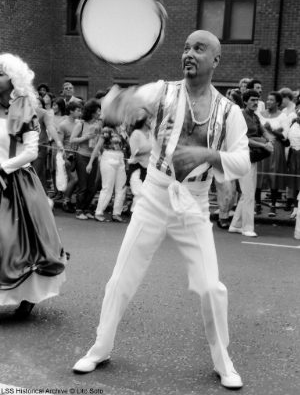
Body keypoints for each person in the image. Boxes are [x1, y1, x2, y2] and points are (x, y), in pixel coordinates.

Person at [73, 30, 250, 389]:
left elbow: (243, 160)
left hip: (195, 202)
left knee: (210, 287)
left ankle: (223, 360)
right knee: (122, 277)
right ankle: (100, 347)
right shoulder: (162, 91)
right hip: (154, 193)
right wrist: (118, 102)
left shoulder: (230, 112)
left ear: (215, 60)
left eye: (199, 48)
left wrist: (208, 155)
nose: (189, 53)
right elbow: (112, 109)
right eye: (186, 47)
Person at [0, 53, 67, 317]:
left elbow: (31, 152)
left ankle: (27, 296)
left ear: (14, 79)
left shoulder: (25, 108)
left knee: (17, 242)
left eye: (1, 73)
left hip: (16, 181)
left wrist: (3, 168)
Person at [229, 90, 273, 237]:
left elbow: (263, 130)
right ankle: (247, 228)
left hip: (251, 157)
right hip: (241, 156)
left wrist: (268, 139)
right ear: (245, 101)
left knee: (247, 193)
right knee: (248, 194)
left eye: (257, 100)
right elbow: (242, 139)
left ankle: (235, 225)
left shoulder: (254, 116)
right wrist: (263, 145)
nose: (256, 102)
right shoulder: (240, 115)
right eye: (253, 100)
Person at [256, 92, 289, 217]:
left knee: (273, 174)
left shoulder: (283, 116)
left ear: (277, 103)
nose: (268, 102)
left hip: (276, 148)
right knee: (259, 174)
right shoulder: (260, 114)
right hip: (261, 146)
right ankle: (258, 204)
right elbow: (256, 129)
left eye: (271, 100)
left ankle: (273, 205)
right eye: (268, 99)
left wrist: (272, 130)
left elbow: (285, 136)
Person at [87, 122, 127, 222]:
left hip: (121, 157)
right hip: (109, 157)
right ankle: (99, 212)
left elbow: (126, 144)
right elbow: (97, 146)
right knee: (107, 187)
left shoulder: (122, 129)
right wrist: (90, 162)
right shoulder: (107, 130)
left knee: (121, 187)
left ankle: (116, 213)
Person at [70, 99, 101, 220]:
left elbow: (98, 142)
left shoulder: (98, 125)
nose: (100, 113)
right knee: (83, 185)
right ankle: (79, 210)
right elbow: (72, 140)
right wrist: (85, 137)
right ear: (92, 112)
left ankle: (86, 209)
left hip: (93, 156)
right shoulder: (81, 124)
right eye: (98, 110)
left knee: (92, 186)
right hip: (82, 156)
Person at [127, 107, 152, 211]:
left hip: (149, 170)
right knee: (139, 194)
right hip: (136, 168)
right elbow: (135, 152)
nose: (151, 121)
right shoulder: (136, 133)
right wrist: (151, 148)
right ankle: (135, 215)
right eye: (150, 119)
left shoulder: (152, 134)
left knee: (147, 196)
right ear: (144, 121)